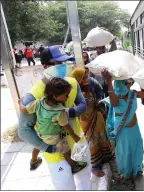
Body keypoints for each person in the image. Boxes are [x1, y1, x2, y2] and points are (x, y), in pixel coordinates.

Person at [17, 45, 91, 190]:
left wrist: (65, 113)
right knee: (66, 187)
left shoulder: (71, 83)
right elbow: (24, 131)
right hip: (55, 153)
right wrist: (47, 148)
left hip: (78, 143)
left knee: (85, 181)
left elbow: (83, 106)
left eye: (65, 63)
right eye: (57, 64)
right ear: (45, 66)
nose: (63, 67)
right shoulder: (34, 95)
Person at [19, 77, 88, 174]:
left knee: (36, 147)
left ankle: (34, 161)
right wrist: (74, 136)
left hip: (42, 135)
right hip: (55, 138)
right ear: (55, 96)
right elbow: (66, 125)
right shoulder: (60, 111)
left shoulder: (39, 102)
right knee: (66, 151)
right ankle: (74, 166)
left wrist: (20, 102)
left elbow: (24, 110)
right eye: (66, 95)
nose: (67, 97)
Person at [101, 69, 144, 189]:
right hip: (123, 131)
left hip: (134, 129)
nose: (129, 85)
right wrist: (109, 82)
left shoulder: (133, 94)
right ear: (120, 84)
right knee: (124, 152)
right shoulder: (115, 97)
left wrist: (142, 81)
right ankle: (125, 175)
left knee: (135, 148)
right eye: (127, 83)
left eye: (129, 83)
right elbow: (113, 104)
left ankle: (136, 169)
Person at [72, 68, 113, 177]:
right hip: (87, 122)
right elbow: (84, 109)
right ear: (78, 79)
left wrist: (100, 106)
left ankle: (105, 158)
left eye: (86, 76)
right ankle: (95, 167)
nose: (87, 79)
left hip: (97, 119)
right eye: (84, 77)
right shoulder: (75, 93)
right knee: (92, 144)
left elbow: (95, 98)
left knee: (102, 139)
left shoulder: (88, 88)